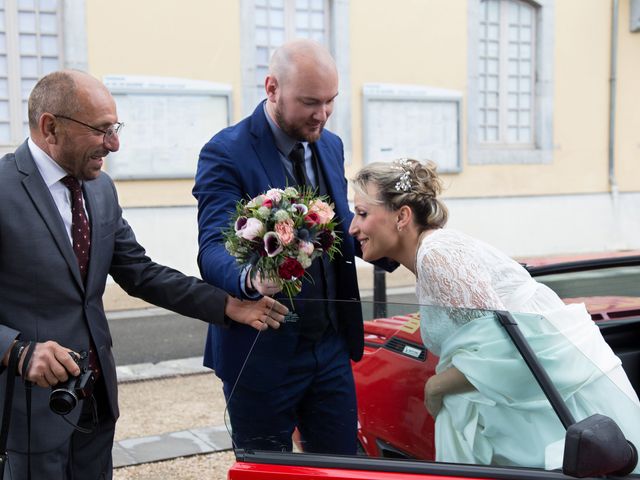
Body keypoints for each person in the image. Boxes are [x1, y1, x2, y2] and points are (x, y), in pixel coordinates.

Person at [0, 69, 288, 480]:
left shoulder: (100, 190)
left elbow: (141, 273)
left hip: (95, 405)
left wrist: (228, 305)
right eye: (101, 131)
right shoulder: (3, 188)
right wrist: (17, 350)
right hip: (26, 416)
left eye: (114, 128)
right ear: (51, 128)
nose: (114, 145)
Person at [349, 158, 640, 470]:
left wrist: (436, 386)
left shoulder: (437, 255)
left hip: (555, 408)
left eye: (362, 214)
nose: (353, 227)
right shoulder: (432, 253)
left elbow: (505, 347)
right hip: (526, 404)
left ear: (402, 216)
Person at [193, 39, 391, 455]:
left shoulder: (330, 145)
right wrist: (250, 278)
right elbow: (213, 246)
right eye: (309, 102)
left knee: (343, 467)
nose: (322, 114)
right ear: (272, 88)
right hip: (261, 353)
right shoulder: (225, 152)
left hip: (331, 347)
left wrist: (404, 245)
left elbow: (334, 227)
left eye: (330, 101)